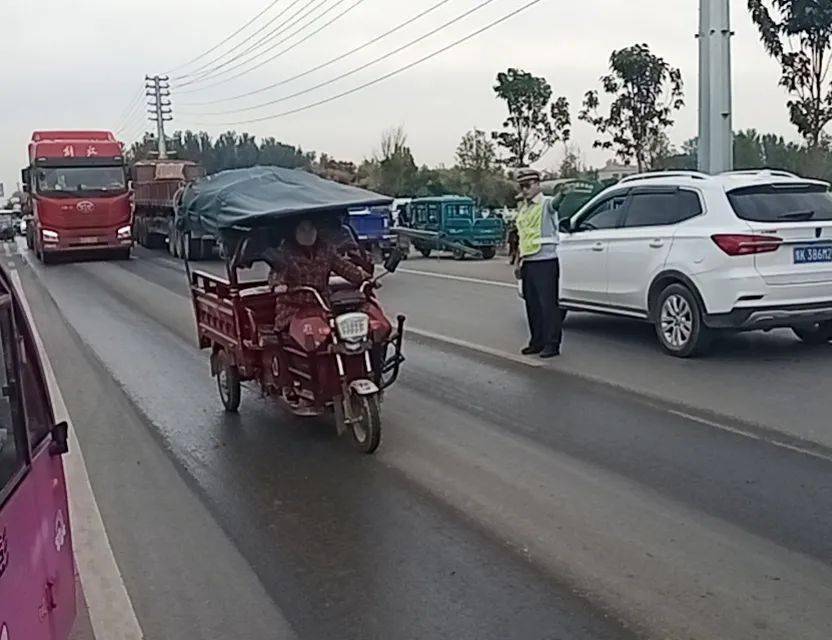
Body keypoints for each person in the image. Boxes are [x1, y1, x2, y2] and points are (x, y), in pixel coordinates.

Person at [266, 219, 371, 330]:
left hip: (322, 305)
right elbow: (277, 271)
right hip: (293, 308)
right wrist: (278, 285)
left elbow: (344, 267)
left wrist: (364, 277)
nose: (307, 232)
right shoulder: (284, 252)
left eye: (311, 228)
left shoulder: (326, 249)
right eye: (303, 229)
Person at [514, 168, 562, 358]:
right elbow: (522, 236)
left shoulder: (546, 203)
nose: (524, 190)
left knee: (548, 305)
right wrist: (519, 262)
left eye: (527, 185)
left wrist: (564, 194)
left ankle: (552, 344)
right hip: (529, 261)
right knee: (532, 305)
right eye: (521, 186)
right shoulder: (524, 208)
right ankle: (537, 341)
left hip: (546, 262)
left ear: (537, 185)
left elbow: (557, 204)